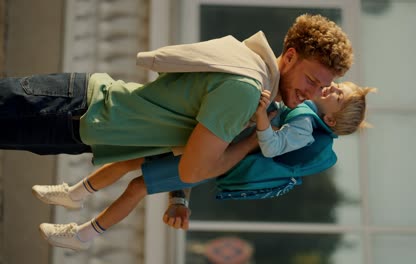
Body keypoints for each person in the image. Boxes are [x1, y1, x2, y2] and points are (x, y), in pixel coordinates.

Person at [2, 14, 353, 250]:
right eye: (310, 79)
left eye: (321, 87)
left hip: (79, 122)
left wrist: (180, 199)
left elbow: (186, 145)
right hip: (74, 109)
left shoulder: (258, 95)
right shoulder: (246, 89)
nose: (311, 93)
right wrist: (248, 146)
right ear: (289, 57)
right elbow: (194, 169)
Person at [255, 81, 376, 158]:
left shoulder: (304, 125)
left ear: (329, 119)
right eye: (338, 85)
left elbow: (271, 148)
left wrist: (261, 115)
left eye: (339, 97)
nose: (333, 87)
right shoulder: (305, 94)